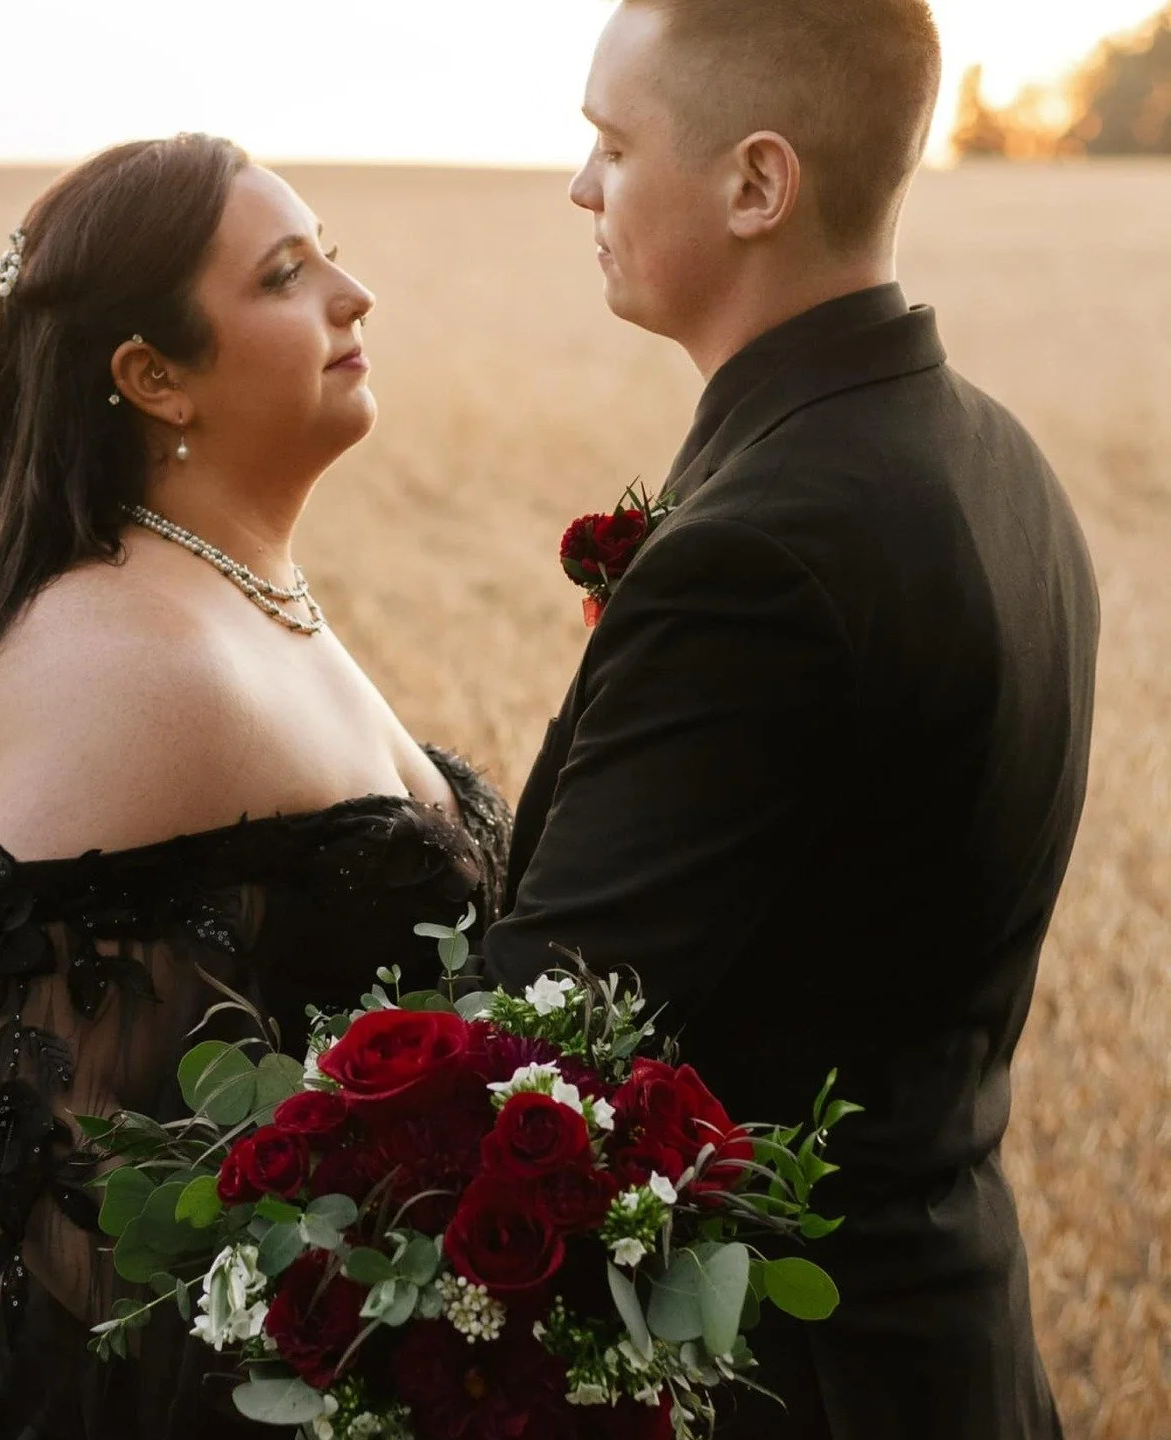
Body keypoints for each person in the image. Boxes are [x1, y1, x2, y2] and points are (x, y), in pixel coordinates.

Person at [0, 133, 510, 1440]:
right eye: (283, 273)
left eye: (334, 254)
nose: (350, 295)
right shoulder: (114, 667)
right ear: (153, 378)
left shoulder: (235, 595)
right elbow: (85, 1269)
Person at [482, 3, 1096, 1439]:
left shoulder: (762, 551)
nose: (582, 188)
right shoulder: (994, 457)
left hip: (786, 1377)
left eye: (613, 146)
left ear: (759, 185)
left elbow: (548, 1027)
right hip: (954, 1336)